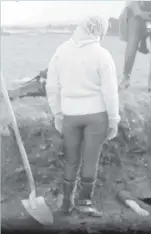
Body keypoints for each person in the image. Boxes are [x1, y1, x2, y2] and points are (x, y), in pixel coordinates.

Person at [46, 15, 121, 218]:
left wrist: (57, 113)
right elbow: (110, 91)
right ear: (100, 31)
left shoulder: (61, 52)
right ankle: (85, 203)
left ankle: (66, 204)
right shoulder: (102, 55)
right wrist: (114, 119)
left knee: (71, 160)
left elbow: (51, 86)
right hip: (96, 115)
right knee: (91, 159)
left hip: (70, 114)